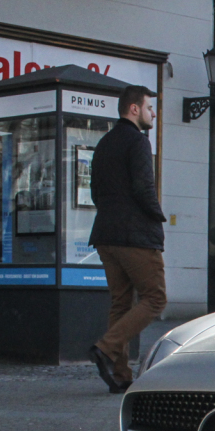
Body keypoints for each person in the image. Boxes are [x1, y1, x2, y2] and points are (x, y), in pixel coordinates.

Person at [87, 85, 167, 394]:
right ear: (134, 109)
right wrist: (157, 216)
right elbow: (143, 188)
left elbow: (95, 192)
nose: (153, 113)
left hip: (106, 234)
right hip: (134, 234)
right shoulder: (138, 142)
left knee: (121, 302)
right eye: (149, 107)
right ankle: (106, 348)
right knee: (155, 298)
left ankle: (120, 375)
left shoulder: (104, 143)